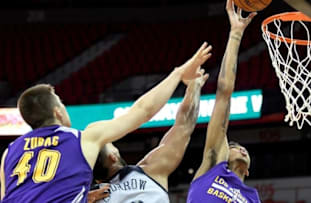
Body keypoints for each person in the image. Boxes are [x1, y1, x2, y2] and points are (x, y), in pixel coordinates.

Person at [0, 42, 212, 203]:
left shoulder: (8, 153)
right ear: (58, 112)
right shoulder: (82, 138)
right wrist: (177, 74)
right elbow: (143, 110)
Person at [90, 70, 209, 203]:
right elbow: (184, 125)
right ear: (112, 157)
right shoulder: (150, 170)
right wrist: (195, 87)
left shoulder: (87, 197)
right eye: (111, 143)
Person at [186, 1, 260, 202]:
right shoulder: (213, 167)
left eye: (239, 147)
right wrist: (236, 34)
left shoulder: (253, 198)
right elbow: (224, 94)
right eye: (233, 146)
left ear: (249, 170)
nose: (242, 148)